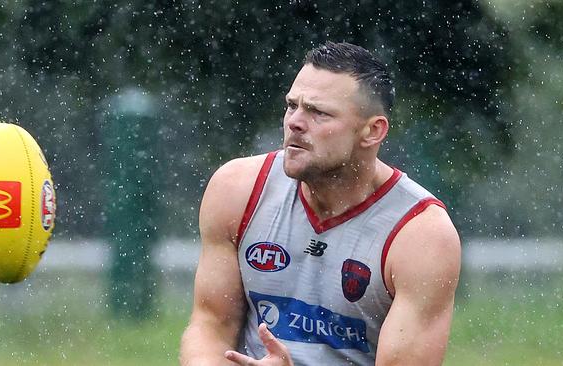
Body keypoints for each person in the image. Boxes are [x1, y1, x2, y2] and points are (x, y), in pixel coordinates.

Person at [179, 41, 461, 366]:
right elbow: (211, 326)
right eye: (291, 106)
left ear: (372, 132)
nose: (295, 122)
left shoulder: (421, 235)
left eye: (318, 112)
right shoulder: (236, 188)